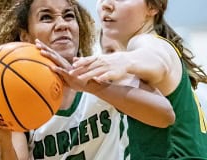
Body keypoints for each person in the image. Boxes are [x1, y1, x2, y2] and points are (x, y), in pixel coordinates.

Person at [0, 0, 175, 159]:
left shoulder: (104, 69)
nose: (62, 25)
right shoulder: (15, 100)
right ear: (25, 37)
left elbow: (165, 115)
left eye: (68, 16)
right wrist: (3, 138)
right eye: (47, 18)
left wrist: (92, 86)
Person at [69, 0, 207, 159]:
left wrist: (125, 61)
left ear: (152, 7)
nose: (105, 4)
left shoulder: (146, 41)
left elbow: (157, 60)